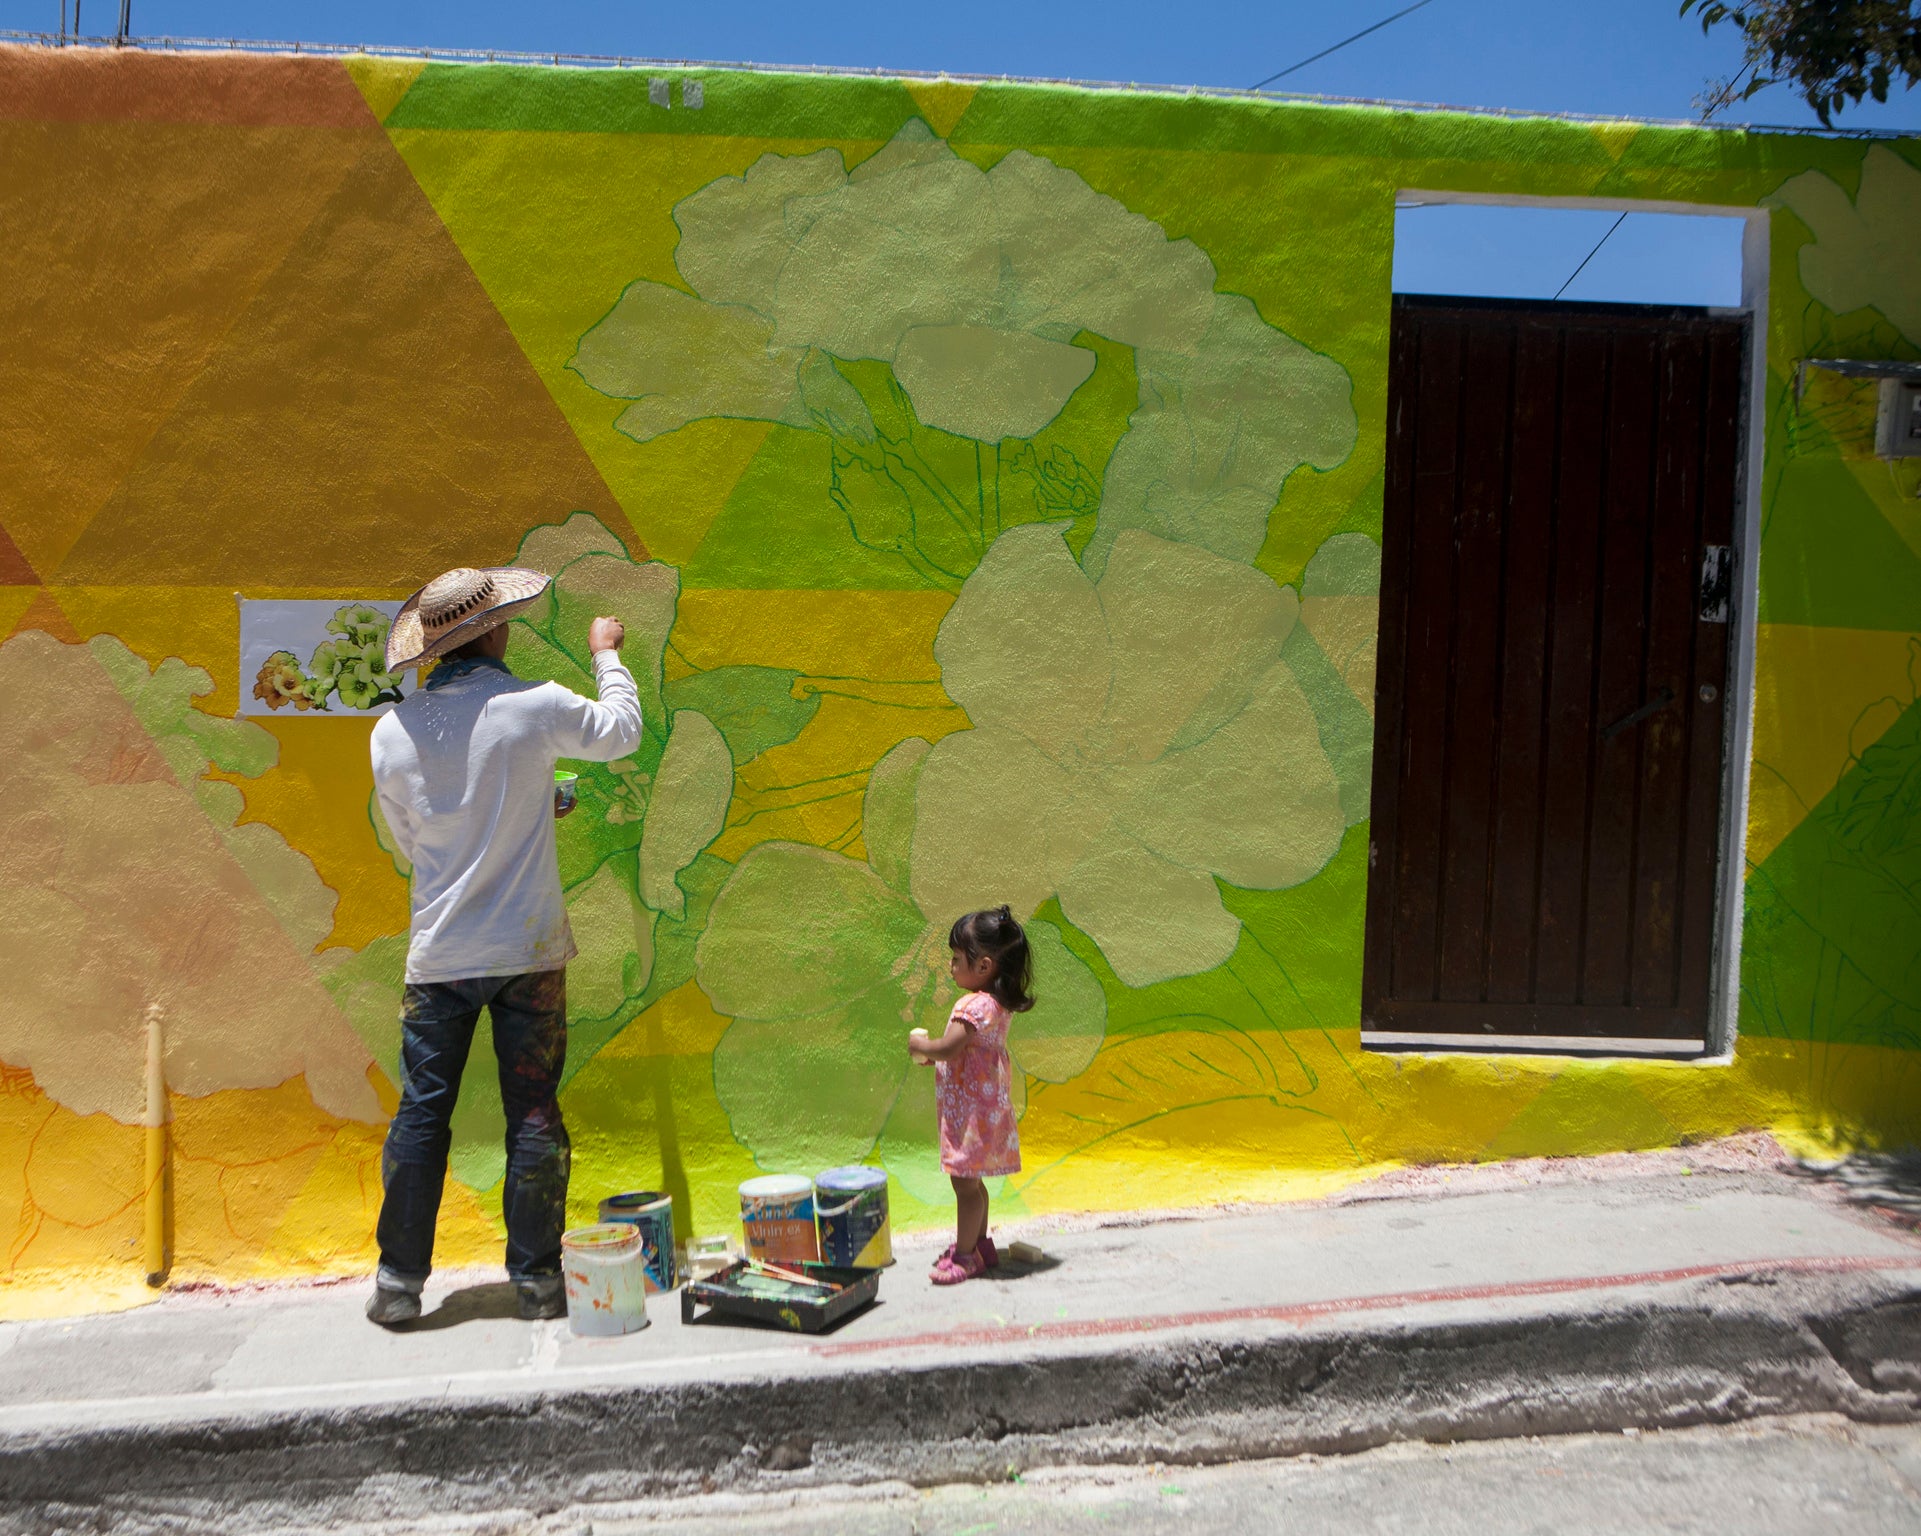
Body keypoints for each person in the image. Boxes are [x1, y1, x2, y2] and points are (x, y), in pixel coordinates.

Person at [364, 565, 642, 1327]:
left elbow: (417, 839)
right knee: (533, 1115)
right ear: (493, 628)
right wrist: (606, 652)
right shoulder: (533, 705)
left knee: (422, 1113)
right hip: (528, 954)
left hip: (441, 956)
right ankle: (538, 1281)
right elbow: (621, 733)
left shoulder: (391, 732)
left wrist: (513, 811)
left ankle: (398, 1283)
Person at [907, 906, 1033, 1285]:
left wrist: (921, 1046)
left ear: (984, 967)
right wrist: (943, 1058)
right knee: (974, 1182)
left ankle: (965, 1257)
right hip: (986, 1108)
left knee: (964, 1184)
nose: (950, 965)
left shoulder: (972, 1005)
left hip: (970, 1114)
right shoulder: (996, 1004)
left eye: (957, 958)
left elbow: (949, 1048)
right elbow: (969, 1052)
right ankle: (981, 1245)